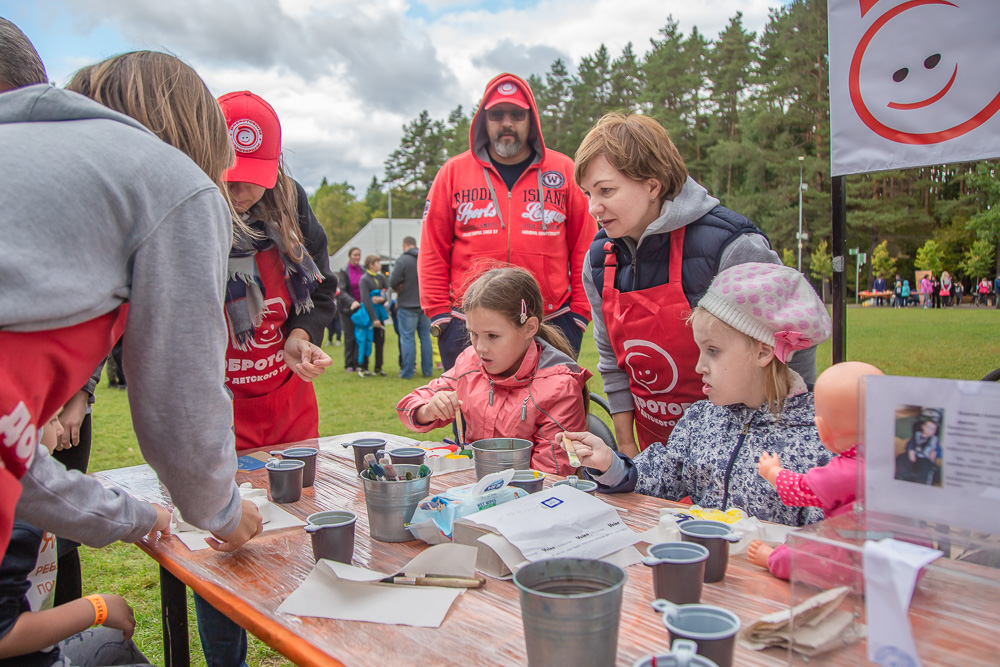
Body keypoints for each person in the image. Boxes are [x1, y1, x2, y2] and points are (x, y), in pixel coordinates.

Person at [2, 36, 261, 558]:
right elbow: (181, 389)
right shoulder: (173, 181)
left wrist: (136, 516)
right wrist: (222, 509)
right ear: (197, 133)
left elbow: (16, 459)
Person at [575, 113, 818, 457]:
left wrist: (783, 442)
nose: (593, 208)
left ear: (652, 184)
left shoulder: (731, 247)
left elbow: (793, 349)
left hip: (739, 455)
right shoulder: (598, 260)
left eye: (606, 191)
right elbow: (612, 361)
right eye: (587, 193)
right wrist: (627, 447)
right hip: (653, 452)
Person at [561, 263, 833, 526]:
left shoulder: (818, 439)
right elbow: (659, 478)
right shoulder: (701, 419)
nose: (699, 366)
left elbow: (824, 544)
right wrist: (609, 464)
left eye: (712, 351)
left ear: (763, 352)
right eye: (699, 350)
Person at [419, 73, 597, 369]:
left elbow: (586, 248)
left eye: (516, 114)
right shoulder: (453, 173)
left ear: (531, 120)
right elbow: (432, 250)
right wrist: (440, 316)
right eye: (497, 114)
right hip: (468, 326)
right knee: (470, 413)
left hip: (551, 322)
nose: (506, 123)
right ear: (483, 120)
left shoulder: (564, 170)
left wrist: (578, 315)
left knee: (549, 412)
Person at [0, 411, 169, 667]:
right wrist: (96, 608)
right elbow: (4, 635)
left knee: (112, 637)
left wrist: (148, 516)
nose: (60, 430)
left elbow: (81, 505)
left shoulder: (18, 492)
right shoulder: (15, 517)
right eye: (53, 419)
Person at [216, 91, 336, 450]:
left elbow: (321, 288)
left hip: (286, 400)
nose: (240, 192)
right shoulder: (188, 210)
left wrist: (300, 336)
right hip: (215, 407)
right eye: (229, 178)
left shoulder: (290, 203)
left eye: (253, 178)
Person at [397, 267, 591, 475]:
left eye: (493, 336)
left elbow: (551, 476)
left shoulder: (559, 387)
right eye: (474, 334)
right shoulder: (469, 363)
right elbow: (407, 406)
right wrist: (427, 410)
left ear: (529, 328)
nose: (480, 347)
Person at [747, 361, 885, 579]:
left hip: (856, 554)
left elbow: (800, 490)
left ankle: (772, 559)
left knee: (799, 555)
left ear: (821, 429)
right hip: (897, 549)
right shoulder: (897, 461)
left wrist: (773, 472)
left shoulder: (843, 473)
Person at [390, 236, 432, 379]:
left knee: (407, 338)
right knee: (425, 338)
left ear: (404, 245)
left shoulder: (402, 260)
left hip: (407, 304)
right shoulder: (425, 258)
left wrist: (399, 285)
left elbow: (392, 281)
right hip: (424, 304)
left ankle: (407, 372)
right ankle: (427, 371)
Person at [356, 255, 389, 377]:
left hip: (380, 315)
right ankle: (364, 367)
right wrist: (374, 319)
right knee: (366, 340)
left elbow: (386, 292)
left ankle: (378, 367)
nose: (379, 265)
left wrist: (382, 298)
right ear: (371, 264)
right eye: (377, 262)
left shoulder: (381, 277)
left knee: (380, 341)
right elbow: (365, 299)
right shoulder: (364, 279)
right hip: (369, 316)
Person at [895, 409, 943, 485]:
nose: (931, 430)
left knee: (926, 468)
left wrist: (935, 453)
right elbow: (911, 444)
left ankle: (921, 481)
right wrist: (911, 450)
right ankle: (902, 476)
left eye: (933, 429)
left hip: (926, 458)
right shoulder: (917, 435)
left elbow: (939, 451)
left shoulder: (935, 440)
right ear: (923, 427)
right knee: (901, 459)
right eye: (929, 427)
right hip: (914, 455)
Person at [336, 248, 364, 372]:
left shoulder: (363, 270)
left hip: (361, 309)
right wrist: (352, 301)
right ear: (349, 256)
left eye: (359, 255)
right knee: (349, 336)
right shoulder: (344, 271)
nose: (357, 257)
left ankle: (358, 363)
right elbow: (342, 290)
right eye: (355, 255)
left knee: (360, 336)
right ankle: (349, 364)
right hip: (348, 309)